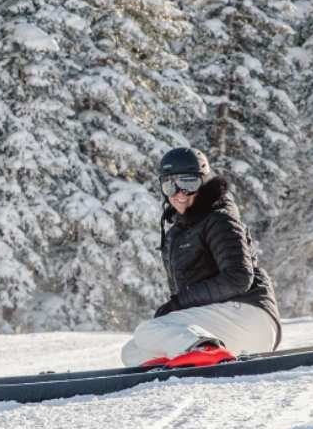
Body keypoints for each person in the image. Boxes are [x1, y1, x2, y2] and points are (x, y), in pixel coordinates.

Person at [120, 147, 281, 368]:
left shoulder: (219, 218)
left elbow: (238, 277)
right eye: (169, 185)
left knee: (148, 330)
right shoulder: (179, 231)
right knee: (132, 351)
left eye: (188, 183)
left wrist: (179, 302)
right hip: (223, 326)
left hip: (248, 315)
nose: (179, 193)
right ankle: (185, 359)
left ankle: (203, 349)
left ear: (203, 182)